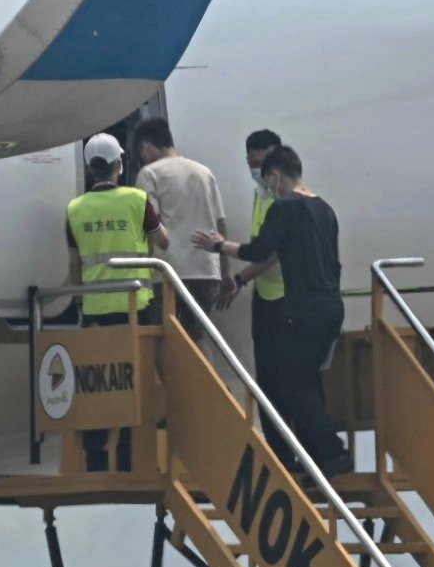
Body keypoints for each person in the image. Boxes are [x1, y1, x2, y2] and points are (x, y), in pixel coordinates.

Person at [193, 146, 354, 476]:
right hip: (330, 307)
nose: (269, 190)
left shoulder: (285, 209)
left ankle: (333, 455)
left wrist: (218, 245)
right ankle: (318, 457)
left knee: (292, 383)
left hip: (304, 309)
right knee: (306, 380)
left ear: (277, 175)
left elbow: (259, 250)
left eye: (269, 182)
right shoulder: (325, 209)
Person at [67, 132, 171, 474]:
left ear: (89, 169)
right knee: (132, 383)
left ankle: (95, 456)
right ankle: (126, 456)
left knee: (98, 384)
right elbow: (164, 241)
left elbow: (74, 264)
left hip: (95, 309)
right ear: (120, 165)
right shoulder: (138, 199)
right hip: (135, 306)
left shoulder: (74, 209)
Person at [131, 117, 228, 339]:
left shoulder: (149, 174)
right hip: (206, 272)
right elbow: (221, 224)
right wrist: (226, 271)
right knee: (197, 339)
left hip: (170, 272)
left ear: (145, 146)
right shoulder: (204, 172)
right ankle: (203, 374)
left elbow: (150, 225)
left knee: (167, 341)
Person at [231, 128, 288, 449]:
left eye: (262, 164)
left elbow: (272, 252)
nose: (258, 171)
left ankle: (290, 451)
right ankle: (278, 447)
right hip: (266, 297)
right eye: (252, 164)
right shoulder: (262, 195)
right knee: (265, 379)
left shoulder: (287, 198)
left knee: (284, 381)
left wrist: (239, 278)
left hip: (287, 298)